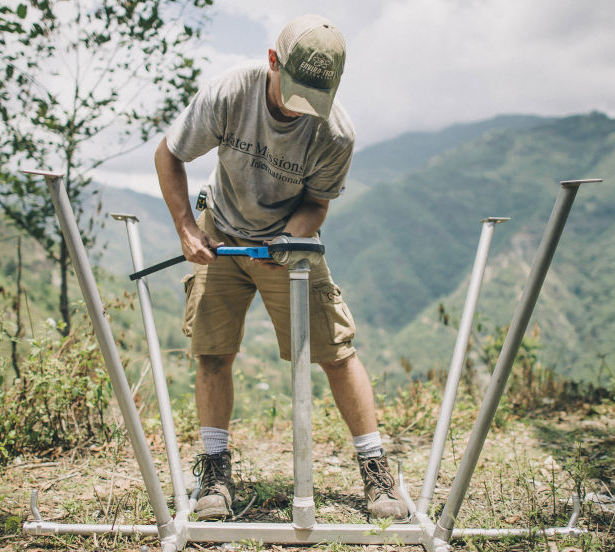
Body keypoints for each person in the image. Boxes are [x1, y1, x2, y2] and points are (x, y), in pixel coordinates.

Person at [154, 14, 408, 522]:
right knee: (211, 353)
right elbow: (169, 154)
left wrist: (292, 235)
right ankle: (215, 472)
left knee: (335, 351)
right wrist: (187, 227)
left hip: (289, 245)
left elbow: (318, 204)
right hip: (221, 231)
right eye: (294, 92)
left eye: (315, 97)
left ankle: (377, 471)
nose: (301, 108)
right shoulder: (230, 92)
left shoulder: (336, 133)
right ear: (273, 61)